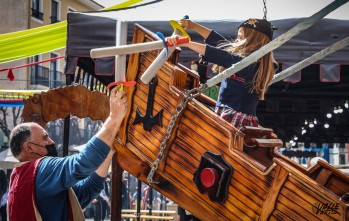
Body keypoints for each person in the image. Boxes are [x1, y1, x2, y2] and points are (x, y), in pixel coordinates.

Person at [7, 85, 128, 221]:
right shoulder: (40, 169)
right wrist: (114, 117)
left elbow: (86, 190)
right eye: (45, 137)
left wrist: (107, 153)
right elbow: (82, 162)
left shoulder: (20, 177)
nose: (51, 141)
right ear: (29, 148)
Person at [167, 18, 278, 128]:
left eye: (240, 38)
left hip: (233, 118)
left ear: (253, 42)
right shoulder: (252, 63)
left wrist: (186, 42)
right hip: (230, 114)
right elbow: (219, 42)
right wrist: (193, 26)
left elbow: (222, 55)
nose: (236, 41)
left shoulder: (251, 65)